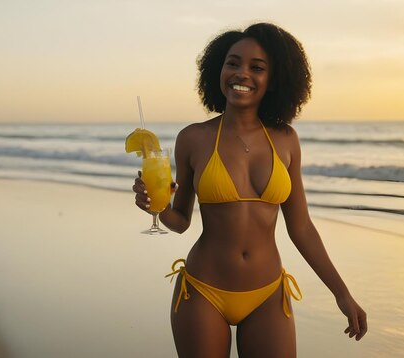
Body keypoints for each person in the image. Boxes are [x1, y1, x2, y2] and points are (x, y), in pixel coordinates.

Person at [132, 22, 367, 357]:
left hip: (267, 294)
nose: (241, 74)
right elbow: (181, 220)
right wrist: (157, 207)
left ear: (275, 80)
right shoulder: (193, 138)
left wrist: (341, 292)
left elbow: (301, 227)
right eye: (233, 63)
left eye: (256, 67)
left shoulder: (286, 140)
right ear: (218, 69)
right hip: (202, 291)